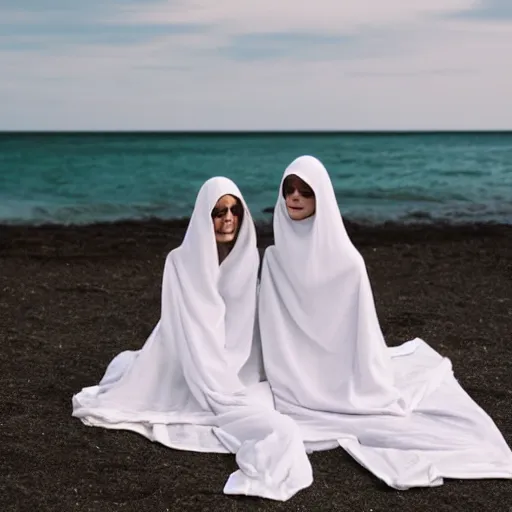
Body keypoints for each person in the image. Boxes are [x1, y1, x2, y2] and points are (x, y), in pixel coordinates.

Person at [258, 155, 512, 489]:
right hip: (292, 374)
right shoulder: (274, 260)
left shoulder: (348, 263)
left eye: (305, 191)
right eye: (289, 190)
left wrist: (352, 383)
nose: (294, 197)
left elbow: (359, 335)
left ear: (322, 198)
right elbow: (271, 328)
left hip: (343, 374)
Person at [73, 177, 312, 500]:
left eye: (234, 210)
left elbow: (251, 324)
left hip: (241, 366)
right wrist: (215, 380)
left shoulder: (248, 259)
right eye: (217, 212)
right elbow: (186, 329)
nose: (228, 218)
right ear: (204, 216)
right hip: (189, 360)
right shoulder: (180, 262)